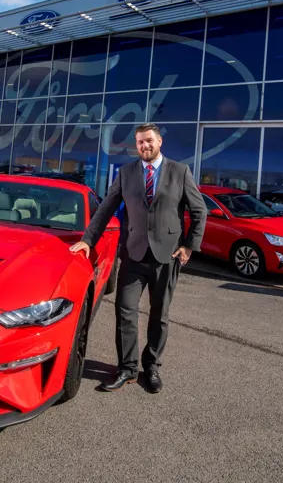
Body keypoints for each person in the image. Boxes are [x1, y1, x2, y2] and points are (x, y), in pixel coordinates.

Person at [69, 123, 206, 394]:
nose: (144, 145)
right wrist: (87, 239)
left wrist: (189, 246)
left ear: (159, 142)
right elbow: (105, 209)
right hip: (132, 255)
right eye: (140, 142)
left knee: (160, 315)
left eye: (149, 141)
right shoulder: (126, 173)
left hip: (167, 256)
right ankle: (128, 368)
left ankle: (152, 366)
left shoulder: (180, 172)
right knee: (125, 311)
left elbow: (200, 211)